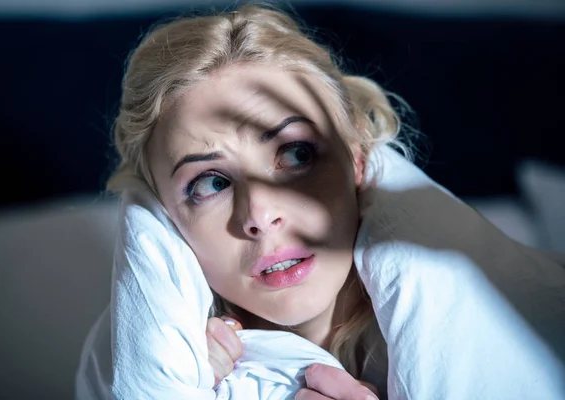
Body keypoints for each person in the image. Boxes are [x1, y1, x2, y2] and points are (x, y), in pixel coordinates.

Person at [106, 4, 408, 399]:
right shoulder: (155, 358)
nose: (260, 215)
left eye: (297, 154)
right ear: (163, 217)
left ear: (356, 158)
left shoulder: (472, 315)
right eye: (211, 183)